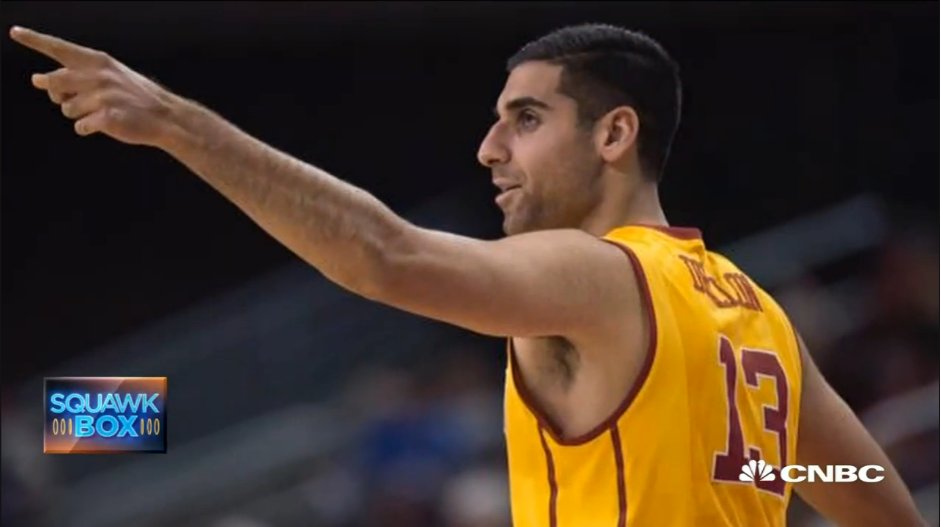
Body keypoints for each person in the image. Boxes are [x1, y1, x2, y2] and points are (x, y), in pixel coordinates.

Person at [9, 22, 926, 526]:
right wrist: (757, 462)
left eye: (525, 119)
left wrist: (175, 122)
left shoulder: (595, 273)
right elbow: (867, 494)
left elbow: (384, 254)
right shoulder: (754, 309)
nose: (489, 148)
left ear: (615, 134)